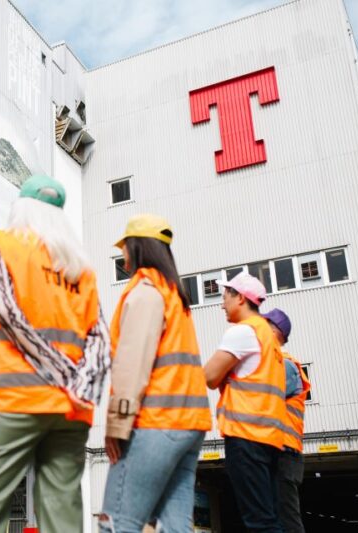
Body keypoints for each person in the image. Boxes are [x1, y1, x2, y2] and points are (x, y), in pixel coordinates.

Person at [0, 175, 110, 533]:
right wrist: (80, 385)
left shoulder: (4, 244)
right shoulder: (80, 269)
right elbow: (100, 336)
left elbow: (6, 312)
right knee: (62, 512)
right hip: (73, 409)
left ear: (21, 208)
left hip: (18, 399)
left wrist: (58, 375)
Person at [99, 214, 212, 533]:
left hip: (156, 424)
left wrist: (117, 425)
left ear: (136, 248)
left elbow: (132, 365)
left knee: (116, 522)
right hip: (189, 427)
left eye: (123, 248)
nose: (122, 256)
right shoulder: (175, 295)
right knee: (174, 526)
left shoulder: (146, 292)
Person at [203, 273, 287, 533]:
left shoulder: (243, 332)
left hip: (246, 436)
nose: (221, 304)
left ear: (240, 298)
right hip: (269, 439)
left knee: (259, 522)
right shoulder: (267, 338)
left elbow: (208, 376)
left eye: (224, 297)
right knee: (268, 517)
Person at [263, 308, 311, 533]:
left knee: (286, 518)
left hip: (285, 452)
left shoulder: (285, 365)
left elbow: (265, 398)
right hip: (276, 451)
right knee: (273, 517)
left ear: (274, 331)